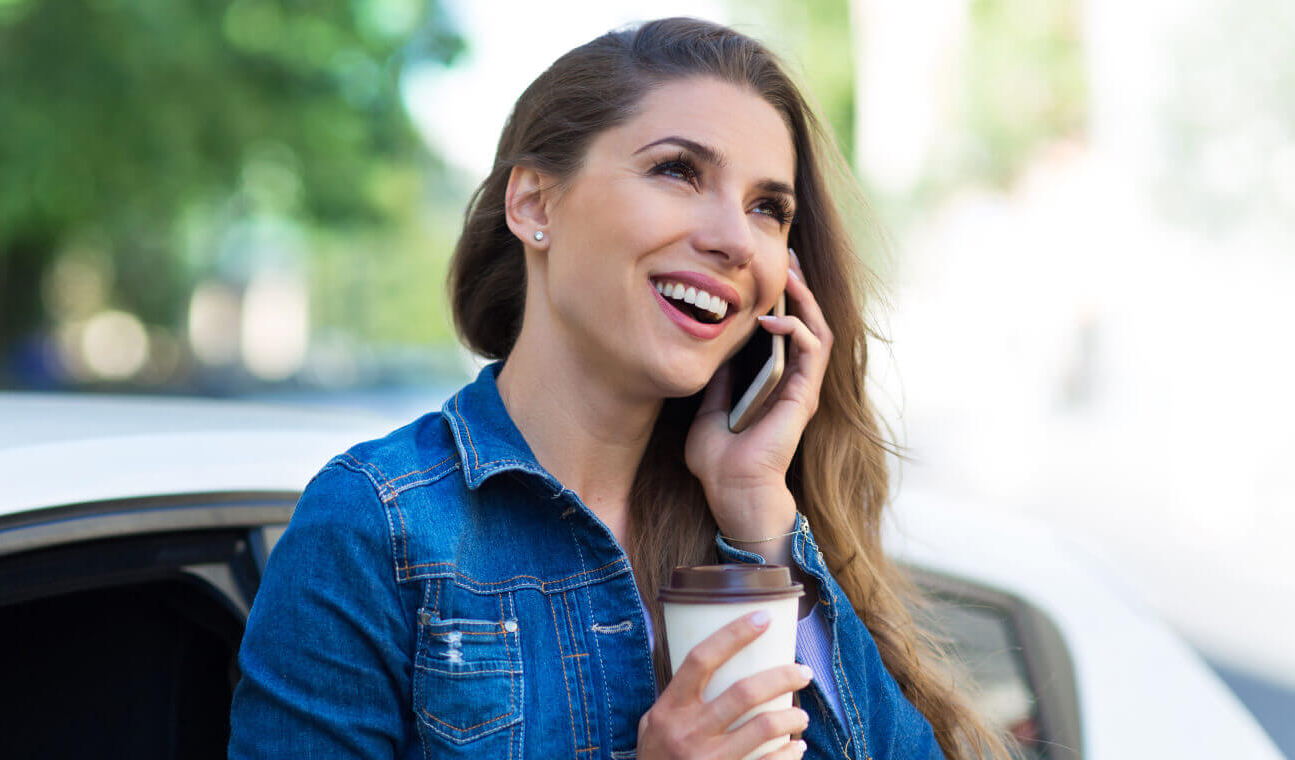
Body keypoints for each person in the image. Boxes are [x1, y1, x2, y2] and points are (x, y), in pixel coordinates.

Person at [229, 17, 1011, 760]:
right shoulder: (376, 527)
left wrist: (758, 508)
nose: (735, 239)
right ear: (534, 203)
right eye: (678, 171)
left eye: (767, 209)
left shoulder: (746, 525)